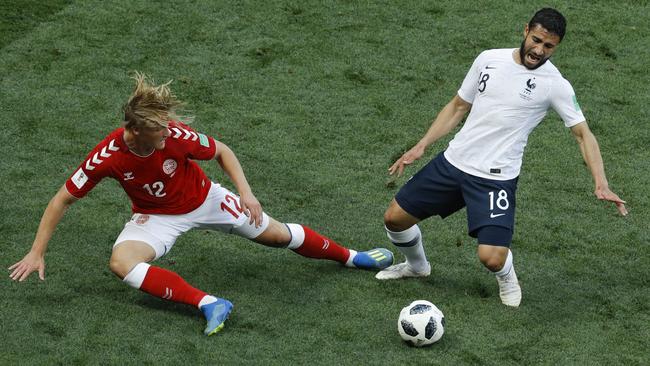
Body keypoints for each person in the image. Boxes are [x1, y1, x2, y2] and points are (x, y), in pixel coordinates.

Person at [9, 72, 393, 336]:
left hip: (207, 199)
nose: (167, 133)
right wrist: (37, 251)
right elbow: (62, 198)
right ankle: (211, 304)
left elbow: (222, 150)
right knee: (121, 263)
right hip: (156, 217)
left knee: (276, 236)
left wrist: (246, 193)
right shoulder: (107, 156)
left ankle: (350, 256)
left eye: (166, 127)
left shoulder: (172, 135)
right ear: (134, 130)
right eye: (158, 129)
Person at [375, 8, 627, 307]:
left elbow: (583, 134)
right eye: (536, 40)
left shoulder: (554, 84)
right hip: (453, 163)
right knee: (394, 219)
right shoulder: (488, 59)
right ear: (525, 31)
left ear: (556, 46)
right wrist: (422, 145)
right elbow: (458, 106)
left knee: (491, 258)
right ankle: (417, 266)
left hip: (495, 180)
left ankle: (507, 276)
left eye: (548, 46)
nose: (539, 50)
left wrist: (601, 182)